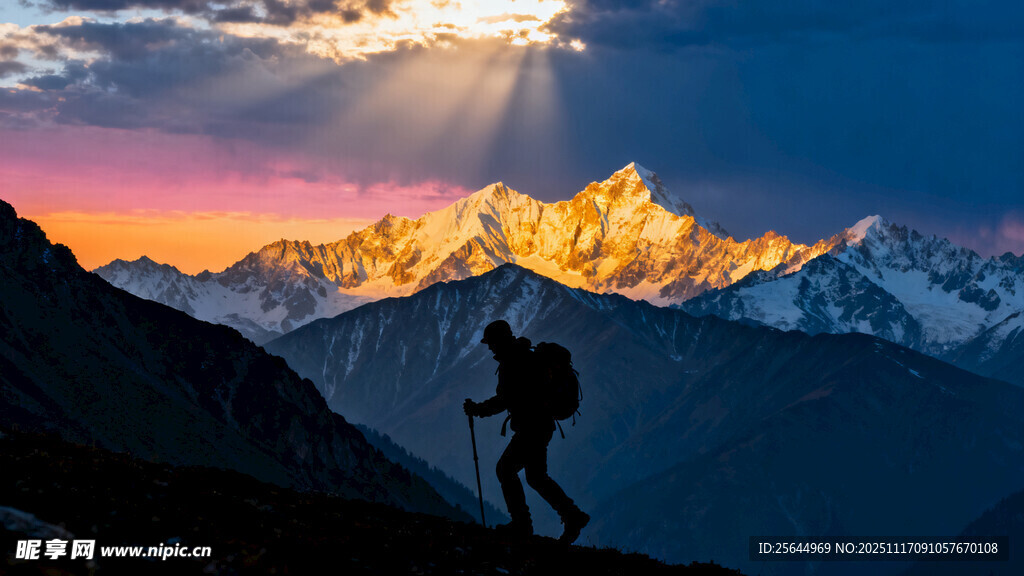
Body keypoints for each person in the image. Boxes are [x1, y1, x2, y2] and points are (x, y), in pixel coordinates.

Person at [463, 320, 590, 544]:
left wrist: (478, 410)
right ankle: (571, 516)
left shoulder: (513, 361)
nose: (490, 348)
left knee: (505, 470)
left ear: (499, 341)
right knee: (536, 477)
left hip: (531, 427)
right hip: (541, 426)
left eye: (491, 343)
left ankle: (523, 525)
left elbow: (505, 399)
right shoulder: (524, 356)